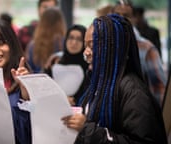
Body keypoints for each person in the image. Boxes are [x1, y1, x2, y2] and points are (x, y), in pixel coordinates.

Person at [62, 14, 167, 144]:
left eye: (92, 46)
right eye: (85, 46)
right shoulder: (99, 83)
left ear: (113, 48)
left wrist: (88, 130)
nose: (86, 52)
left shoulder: (134, 92)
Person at [113, 1, 167, 106]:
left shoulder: (147, 48)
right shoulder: (106, 44)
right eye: (117, 15)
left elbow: (159, 86)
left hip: (139, 109)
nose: (121, 18)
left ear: (134, 19)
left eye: (126, 15)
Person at [44, 24, 88, 105]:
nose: (74, 43)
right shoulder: (54, 62)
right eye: (71, 38)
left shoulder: (88, 66)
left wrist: (74, 101)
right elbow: (45, 89)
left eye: (79, 39)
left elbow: (86, 93)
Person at [26, 7, 66, 73]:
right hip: (59, 81)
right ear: (61, 22)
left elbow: (29, 69)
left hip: (37, 81)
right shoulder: (64, 42)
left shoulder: (32, 45)